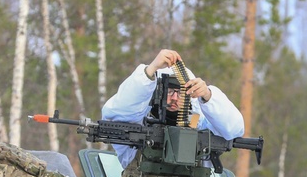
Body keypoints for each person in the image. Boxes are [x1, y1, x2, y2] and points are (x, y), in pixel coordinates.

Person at [101, 49, 245, 167]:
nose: (175, 98)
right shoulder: (137, 120)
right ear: (157, 90)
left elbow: (233, 130)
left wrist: (208, 96)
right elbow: (115, 114)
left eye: (181, 92)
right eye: (170, 91)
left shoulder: (198, 121)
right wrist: (150, 71)